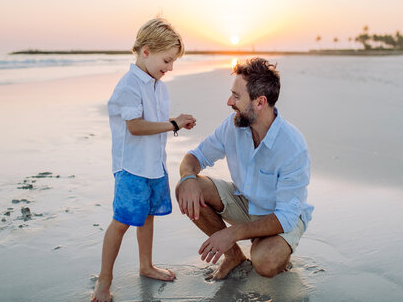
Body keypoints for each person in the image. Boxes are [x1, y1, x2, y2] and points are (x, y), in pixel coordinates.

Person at [176, 57, 313, 280]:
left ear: (260, 102)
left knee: (266, 263)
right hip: (245, 203)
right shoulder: (233, 125)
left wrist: (232, 233)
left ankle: (275, 248)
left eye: (237, 96)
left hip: (280, 217)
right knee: (186, 188)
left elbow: (286, 217)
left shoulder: (293, 147)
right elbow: (194, 156)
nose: (229, 102)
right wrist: (188, 178)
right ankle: (233, 256)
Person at [92, 18, 196, 302]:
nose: (170, 68)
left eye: (173, 62)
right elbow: (135, 126)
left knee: (148, 216)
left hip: (154, 165)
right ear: (146, 51)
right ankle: (103, 282)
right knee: (122, 221)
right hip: (132, 168)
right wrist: (173, 124)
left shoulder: (158, 85)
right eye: (167, 60)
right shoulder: (129, 85)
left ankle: (146, 265)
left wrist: (174, 123)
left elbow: (156, 124)